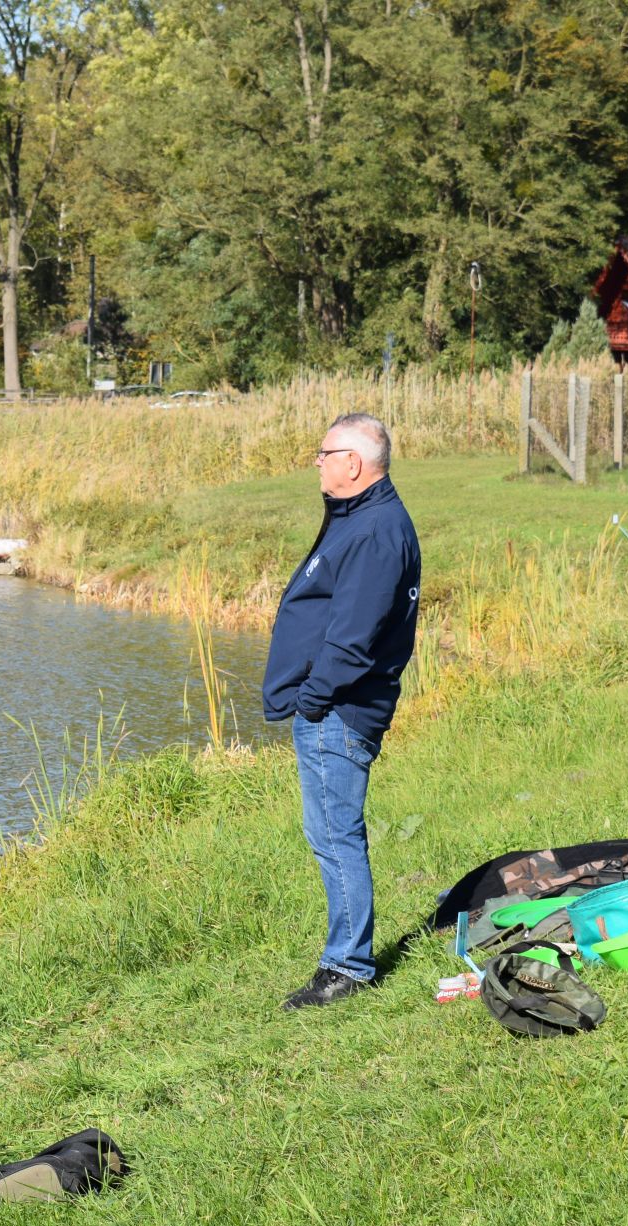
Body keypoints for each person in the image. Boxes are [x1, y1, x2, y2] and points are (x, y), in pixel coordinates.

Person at [260, 413, 421, 1010]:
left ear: (354, 462)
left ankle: (348, 967)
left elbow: (354, 637)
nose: (317, 463)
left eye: (324, 453)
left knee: (336, 834)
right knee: (330, 830)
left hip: (340, 710)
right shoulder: (361, 518)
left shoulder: (376, 530)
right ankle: (347, 959)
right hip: (332, 707)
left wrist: (312, 698)